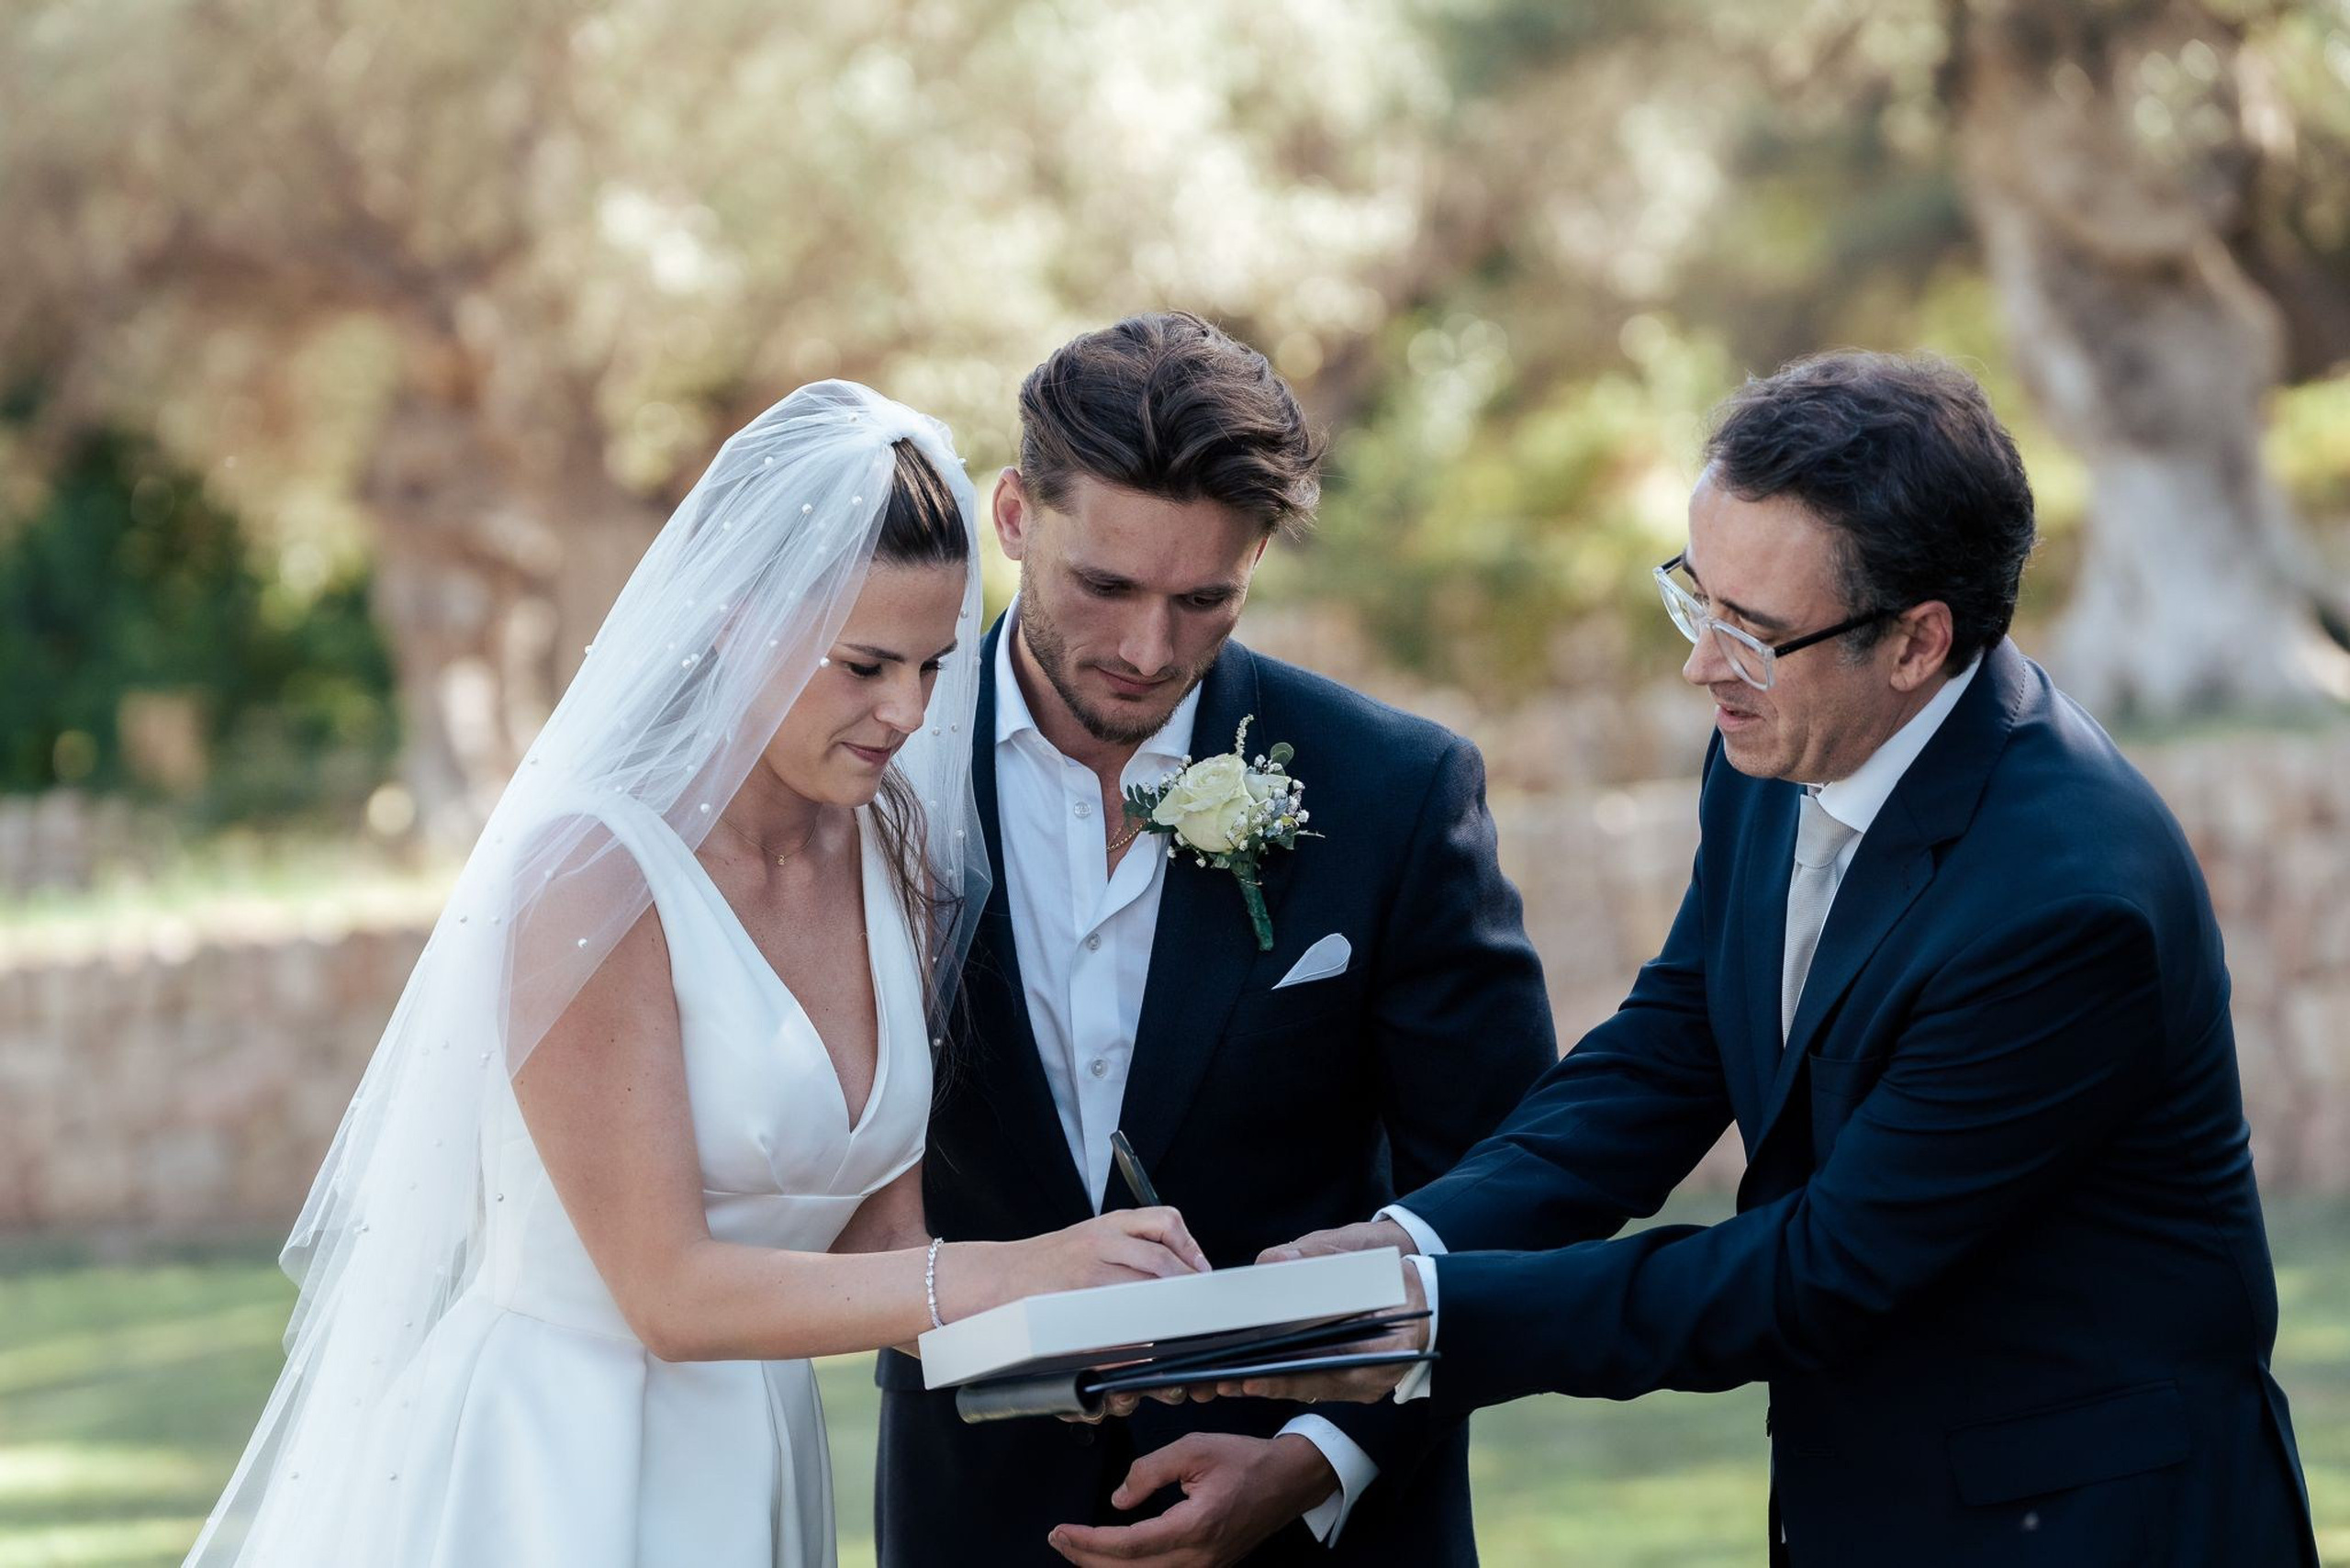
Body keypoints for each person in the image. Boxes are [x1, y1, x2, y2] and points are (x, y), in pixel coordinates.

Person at [1237, 351, 2322, 1567]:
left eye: (1752, 631)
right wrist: (1418, 1239)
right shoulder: (1776, 744)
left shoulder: (2065, 904)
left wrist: (1432, 1320)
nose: (1702, 664)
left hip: (2090, 1520)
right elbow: (1671, 1049)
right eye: (1696, 598)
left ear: (1917, 642)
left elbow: (1823, 1269)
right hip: (1863, 1501)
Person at [185, 381, 1209, 1568]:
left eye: (932, 668)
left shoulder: (892, 850)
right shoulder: (592, 871)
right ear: (737, 615)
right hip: (559, 1466)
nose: (904, 715)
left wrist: (1098, 1330)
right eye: (864, 664)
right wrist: (1014, 1271)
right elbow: (665, 1294)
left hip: (756, 1454)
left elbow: (885, 1255)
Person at [872, 312, 1558, 1568]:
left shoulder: (1393, 788)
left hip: (1334, 1531)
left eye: (1206, 601)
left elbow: (1508, 1177)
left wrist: (1320, 1457)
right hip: (977, 1513)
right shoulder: (880, 778)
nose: (1150, 650)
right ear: (1016, 518)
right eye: (1106, 586)